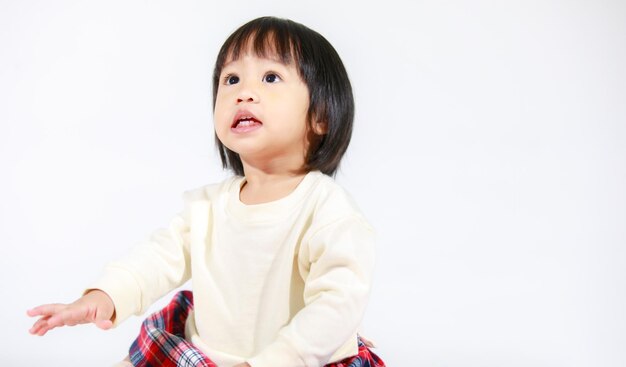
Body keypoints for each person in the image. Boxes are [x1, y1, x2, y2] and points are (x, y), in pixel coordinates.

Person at [27, 16, 385, 367]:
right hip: (203, 357)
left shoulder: (327, 210)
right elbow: (156, 258)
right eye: (231, 79)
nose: (244, 92)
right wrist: (105, 295)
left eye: (270, 77)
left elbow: (337, 303)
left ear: (319, 116)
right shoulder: (209, 208)